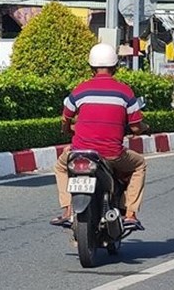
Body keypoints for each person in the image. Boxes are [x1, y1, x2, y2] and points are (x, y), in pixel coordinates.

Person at [51, 43, 149, 228]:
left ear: (91, 67)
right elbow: (136, 127)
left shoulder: (80, 90)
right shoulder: (125, 92)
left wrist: (67, 130)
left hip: (80, 152)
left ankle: (67, 210)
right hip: (112, 154)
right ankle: (130, 214)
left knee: (61, 167)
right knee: (140, 165)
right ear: (115, 66)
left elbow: (65, 118)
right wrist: (144, 127)